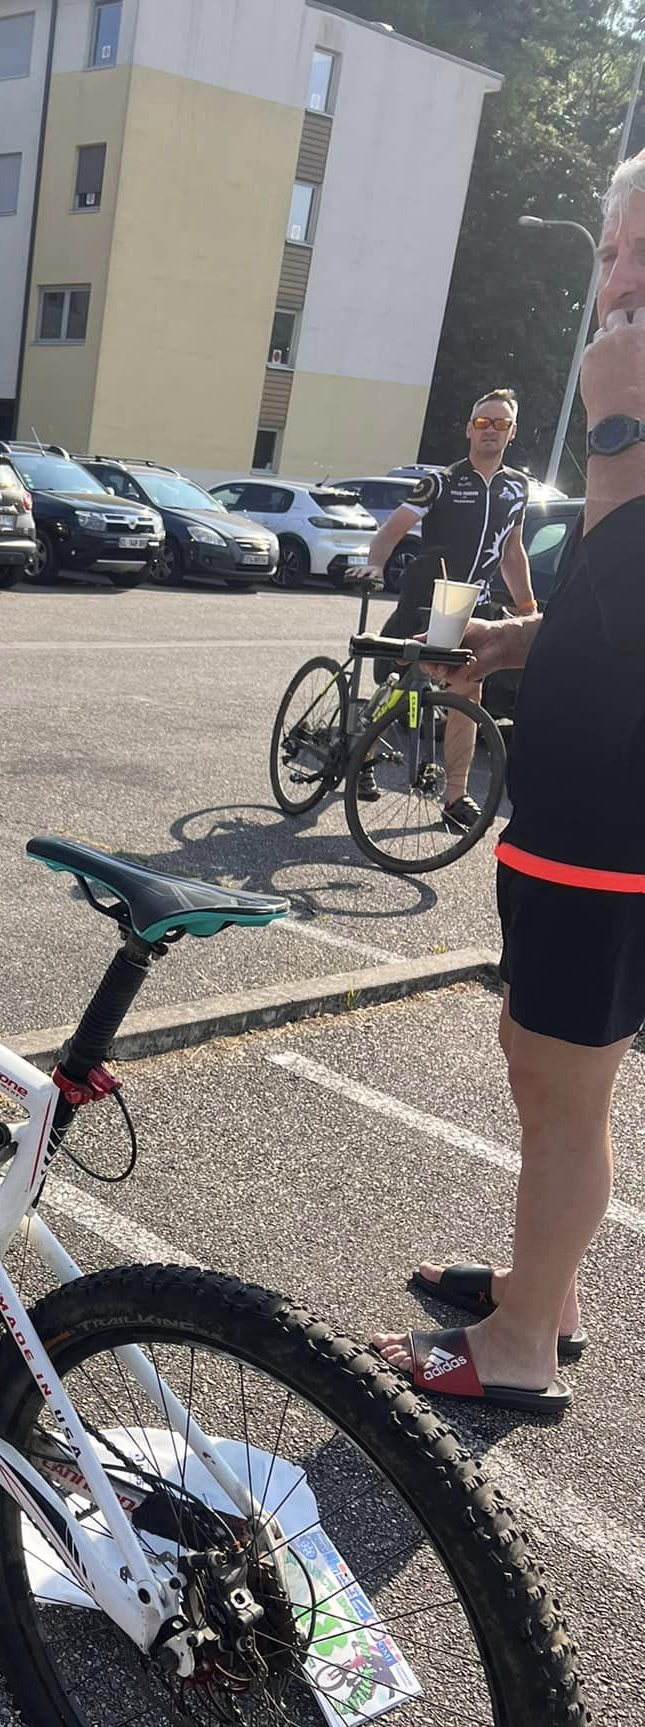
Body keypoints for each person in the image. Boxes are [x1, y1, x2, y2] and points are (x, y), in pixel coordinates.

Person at [371, 153, 645, 1413]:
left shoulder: (627, 426)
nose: (617, 283)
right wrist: (512, 642)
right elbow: (605, 607)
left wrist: (617, 425)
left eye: (644, 257)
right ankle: (548, 1287)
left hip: (616, 825)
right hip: (571, 806)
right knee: (540, 1057)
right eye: (612, 253)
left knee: (563, 1076)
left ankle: (526, 1341)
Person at [349, 390, 537, 828]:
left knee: (467, 693)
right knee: (402, 681)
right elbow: (393, 529)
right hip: (428, 598)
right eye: (483, 422)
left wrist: (527, 607)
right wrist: (376, 564)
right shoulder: (442, 481)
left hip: (474, 606)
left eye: (501, 424)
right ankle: (363, 752)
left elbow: (512, 551)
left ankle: (455, 797)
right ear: (469, 429)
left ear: (512, 433)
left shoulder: (518, 487)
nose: (491, 430)